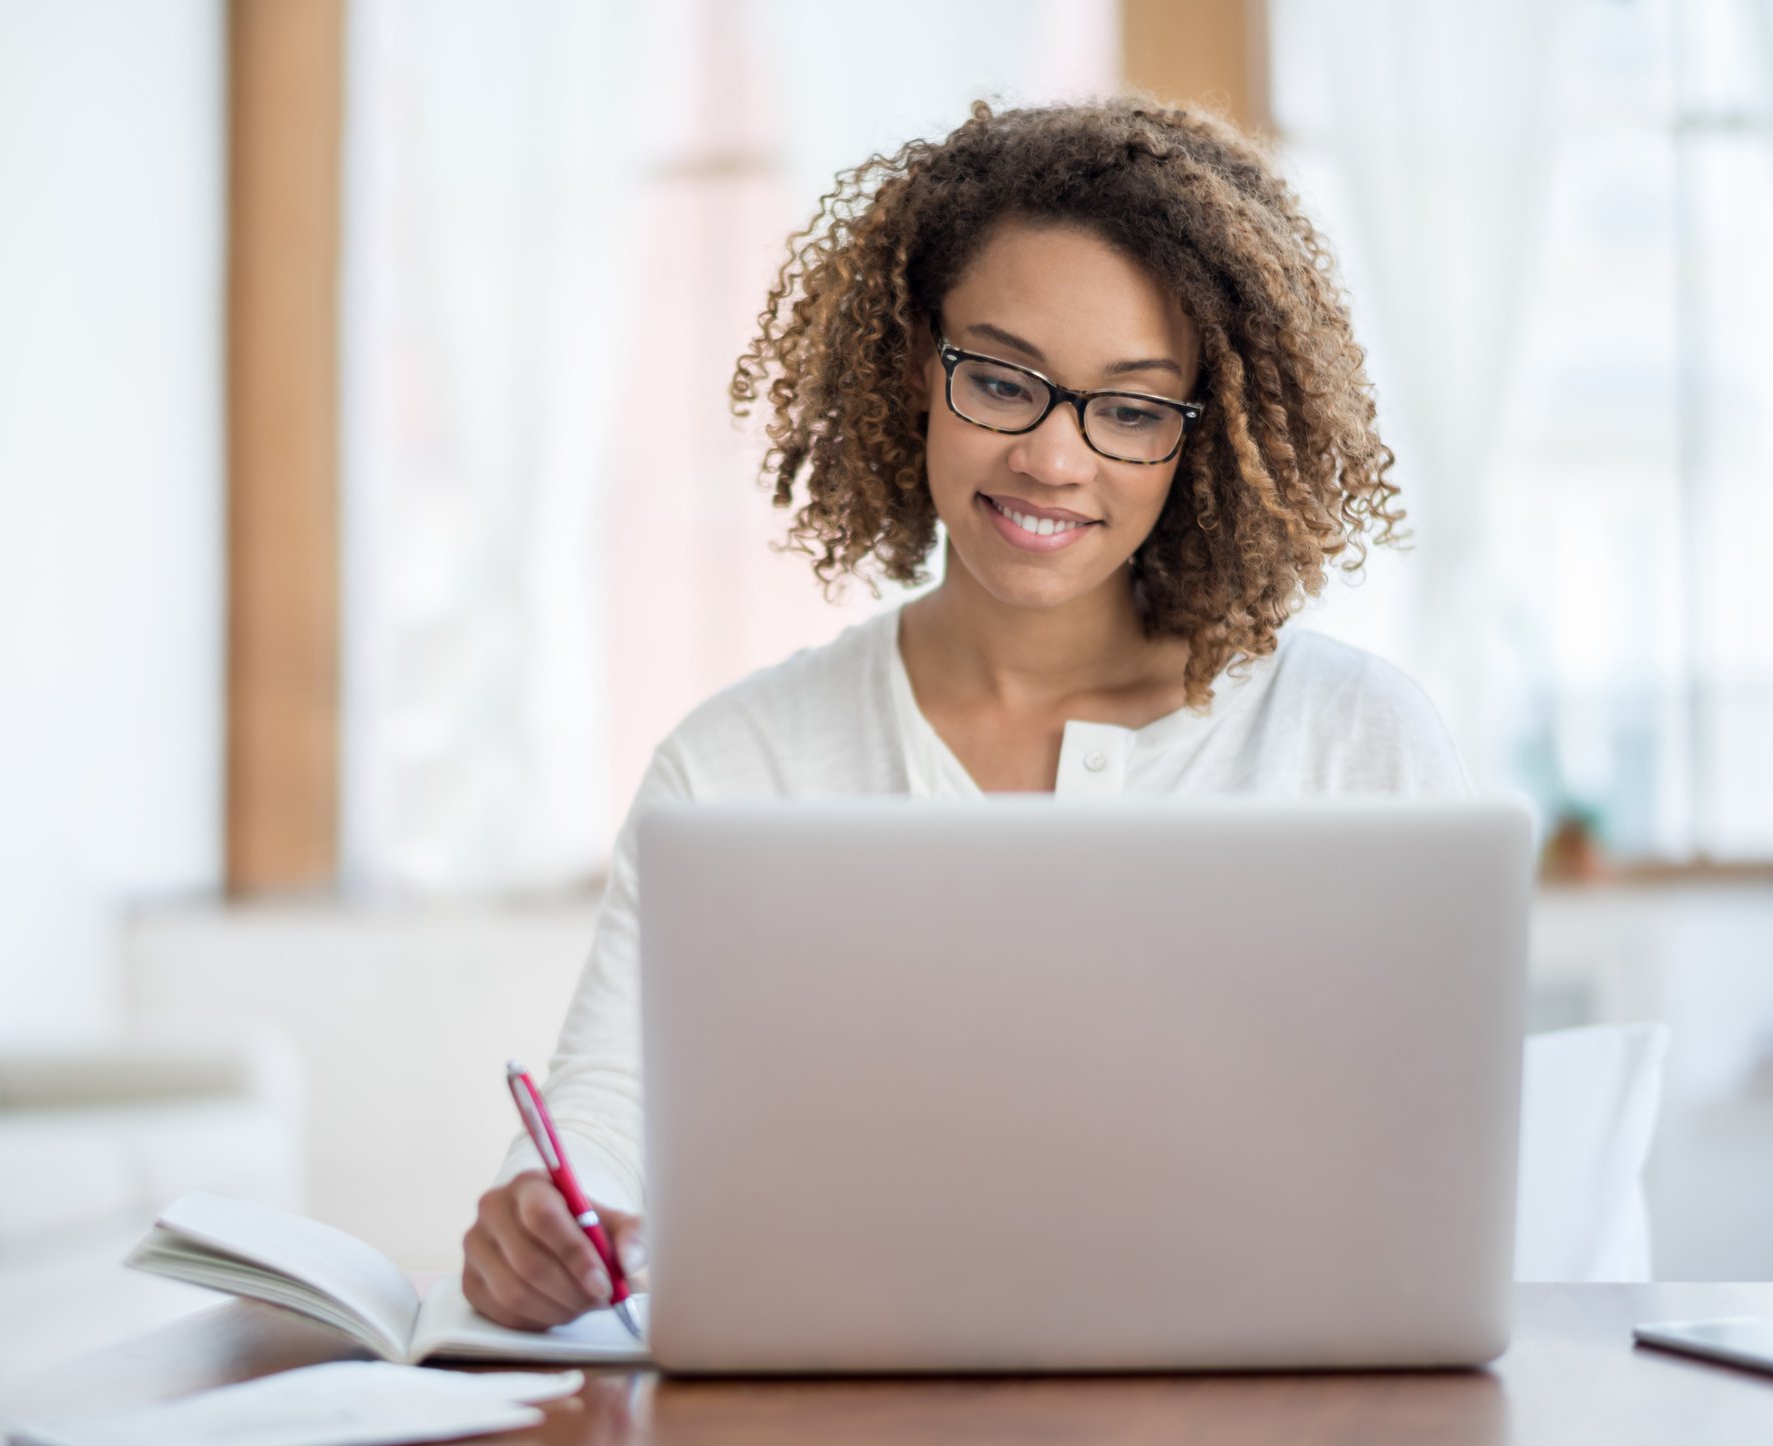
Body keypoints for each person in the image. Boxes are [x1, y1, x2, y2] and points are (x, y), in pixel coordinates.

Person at [460, 96, 1465, 1331]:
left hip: (1257, 1381)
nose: (1051, 459)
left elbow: (1433, 1159)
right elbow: (611, 1108)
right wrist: (547, 1219)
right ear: (911, 371)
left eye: (1130, 409)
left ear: (1201, 440)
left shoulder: (1352, 736)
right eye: (998, 380)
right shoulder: (740, 763)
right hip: (848, 1382)